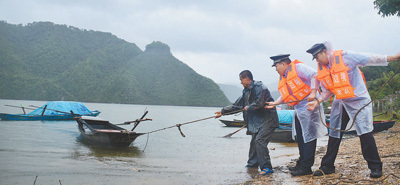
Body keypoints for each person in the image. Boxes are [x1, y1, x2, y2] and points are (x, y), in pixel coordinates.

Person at [306, 41, 400, 178]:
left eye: (317, 56)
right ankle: (327, 166)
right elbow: (327, 91)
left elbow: (368, 58)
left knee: (365, 133)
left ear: (325, 52)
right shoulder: (324, 68)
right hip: (341, 102)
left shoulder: (345, 57)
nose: (317, 60)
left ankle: (375, 167)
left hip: (358, 100)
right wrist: (317, 101)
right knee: (334, 133)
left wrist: (393, 58)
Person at [265, 54, 328, 176]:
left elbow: (315, 75)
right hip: (299, 108)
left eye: (276, 66)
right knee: (300, 136)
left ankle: (306, 167)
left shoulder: (298, 68)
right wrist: (276, 103)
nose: (276, 69)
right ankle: (301, 163)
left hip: (309, 105)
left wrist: (314, 92)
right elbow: (286, 94)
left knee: (308, 137)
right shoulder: (285, 76)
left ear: (283, 64)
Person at [215, 70, 279, 175]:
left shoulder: (261, 88)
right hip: (257, 121)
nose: (240, 82)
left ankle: (267, 168)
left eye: (241, 79)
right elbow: (237, 105)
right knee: (254, 142)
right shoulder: (246, 91)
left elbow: (260, 103)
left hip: (268, 119)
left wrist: (248, 107)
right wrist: (222, 111)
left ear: (247, 78)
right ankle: (252, 164)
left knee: (260, 141)